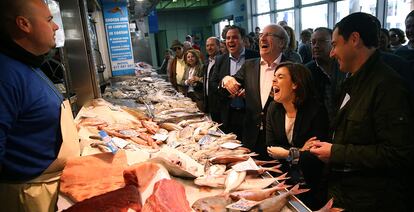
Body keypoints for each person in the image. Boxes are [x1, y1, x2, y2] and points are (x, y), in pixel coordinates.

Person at [309, 12, 414, 211]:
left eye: (334, 44)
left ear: (355, 39)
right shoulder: (351, 80)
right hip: (345, 194)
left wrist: (335, 152)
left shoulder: (387, 86)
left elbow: (397, 153)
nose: (331, 53)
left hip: (370, 200)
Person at [0, 0, 80, 211]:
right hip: (29, 198)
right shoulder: (5, 74)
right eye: (49, 20)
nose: (55, 27)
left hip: (50, 188)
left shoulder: (27, 64)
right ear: (24, 24)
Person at [218, 24, 288, 160]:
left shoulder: (291, 67)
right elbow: (225, 92)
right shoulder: (249, 65)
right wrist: (225, 80)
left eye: (269, 35)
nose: (262, 38)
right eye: (261, 35)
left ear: (282, 42)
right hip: (251, 138)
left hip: (279, 143)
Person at [267, 62, 329, 210]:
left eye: (280, 77)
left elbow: (316, 155)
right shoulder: (273, 109)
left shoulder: (316, 110)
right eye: (274, 76)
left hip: (311, 186)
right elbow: (271, 148)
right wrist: (300, 150)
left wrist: (288, 153)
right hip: (283, 181)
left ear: (295, 84)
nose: (273, 80)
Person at [210, 25, 260, 140]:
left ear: (243, 39)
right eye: (227, 38)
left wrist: (250, 93)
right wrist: (225, 88)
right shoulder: (220, 60)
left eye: (235, 37)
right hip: (228, 113)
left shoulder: (255, 57)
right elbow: (213, 84)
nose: (230, 41)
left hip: (250, 113)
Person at [305, 27, 346, 124]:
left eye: (321, 41)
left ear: (333, 43)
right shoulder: (306, 71)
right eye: (313, 42)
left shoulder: (344, 66)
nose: (316, 46)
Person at [203, 37, 221, 122]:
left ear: (218, 46)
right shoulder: (207, 61)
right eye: (207, 46)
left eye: (212, 45)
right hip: (209, 99)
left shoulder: (223, 60)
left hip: (219, 102)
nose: (209, 48)